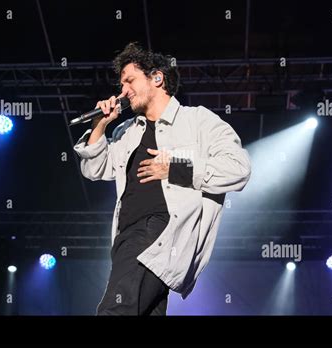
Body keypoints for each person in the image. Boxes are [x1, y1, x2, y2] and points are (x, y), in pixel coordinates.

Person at [74, 42, 251, 315]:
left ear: (157, 78)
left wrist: (175, 168)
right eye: (121, 85)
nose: (123, 92)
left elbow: (239, 169)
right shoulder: (126, 131)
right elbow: (95, 169)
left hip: (159, 233)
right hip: (126, 237)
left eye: (130, 81)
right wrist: (100, 125)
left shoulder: (199, 121)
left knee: (114, 312)